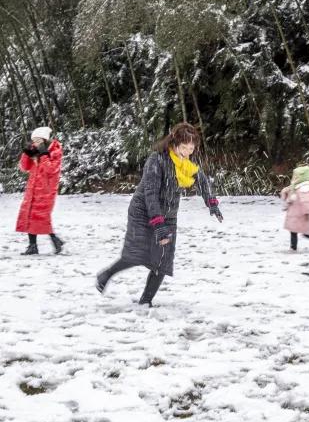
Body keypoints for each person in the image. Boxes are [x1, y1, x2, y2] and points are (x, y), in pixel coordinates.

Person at [95, 122, 222, 306]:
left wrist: (211, 202)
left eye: (191, 148)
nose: (188, 152)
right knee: (136, 253)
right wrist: (158, 223)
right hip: (144, 211)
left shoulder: (186, 165)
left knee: (162, 260)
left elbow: (201, 179)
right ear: (174, 142)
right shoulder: (157, 160)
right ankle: (106, 275)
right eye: (184, 147)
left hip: (168, 215)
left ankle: (146, 301)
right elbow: (150, 194)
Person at [15, 126, 64, 255]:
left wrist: (43, 156)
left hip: (46, 191)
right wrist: (26, 154)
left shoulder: (55, 152)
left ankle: (54, 240)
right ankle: (33, 246)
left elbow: (51, 170)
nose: (35, 143)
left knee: (41, 217)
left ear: (44, 140)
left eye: (37, 140)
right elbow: (25, 168)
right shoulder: (35, 152)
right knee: (30, 216)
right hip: (32, 190)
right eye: (33, 141)